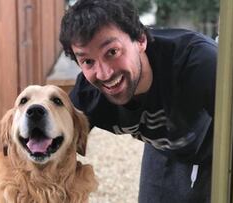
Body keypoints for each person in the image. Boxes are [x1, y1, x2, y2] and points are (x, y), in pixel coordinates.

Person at [59, 0, 217, 202]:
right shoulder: (88, 95)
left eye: (112, 52)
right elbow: (55, 149)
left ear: (141, 40)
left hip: (214, 147)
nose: (105, 73)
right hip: (163, 147)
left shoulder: (200, 64)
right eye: (88, 61)